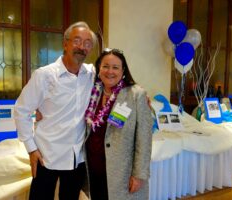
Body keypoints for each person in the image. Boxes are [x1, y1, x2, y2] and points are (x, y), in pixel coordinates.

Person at [14, 21, 97, 200]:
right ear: (65, 43)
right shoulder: (44, 75)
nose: (81, 47)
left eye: (87, 43)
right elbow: (21, 110)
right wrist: (31, 149)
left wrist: (136, 92)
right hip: (47, 156)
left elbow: (115, 73)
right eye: (76, 40)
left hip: (77, 157)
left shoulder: (91, 74)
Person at [84, 48, 153, 200]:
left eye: (115, 67)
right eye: (105, 66)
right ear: (99, 69)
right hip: (94, 169)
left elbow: (144, 138)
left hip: (122, 172)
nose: (110, 71)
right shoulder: (92, 92)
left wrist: (139, 174)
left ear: (123, 70)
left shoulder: (136, 94)